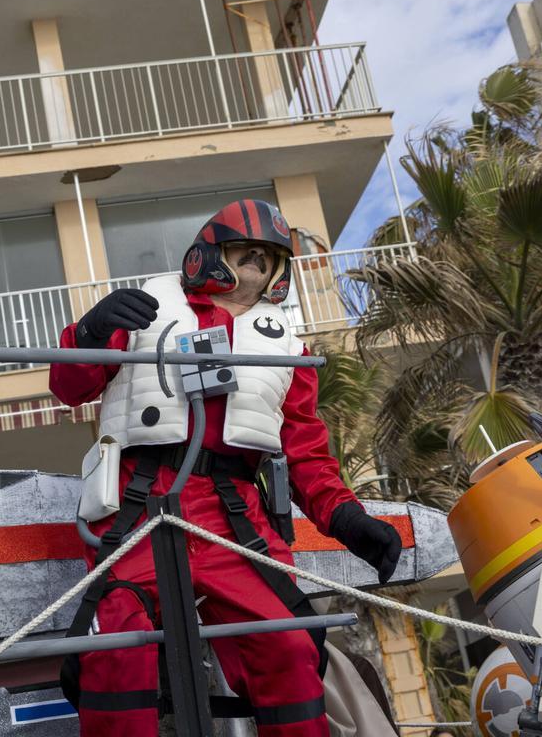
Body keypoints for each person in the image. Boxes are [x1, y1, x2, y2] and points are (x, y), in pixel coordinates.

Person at [50, 199, 402, 737]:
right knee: (117, 645)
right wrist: (91, 333)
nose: (258, 259)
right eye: (246, 249)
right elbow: (68, 388)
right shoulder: (145, 308)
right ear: (209, 254)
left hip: (233, 513)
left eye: (269, 255)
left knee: (289, 643)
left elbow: (306, 453)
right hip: (138, 502)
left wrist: (349, 520)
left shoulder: (288, 348)